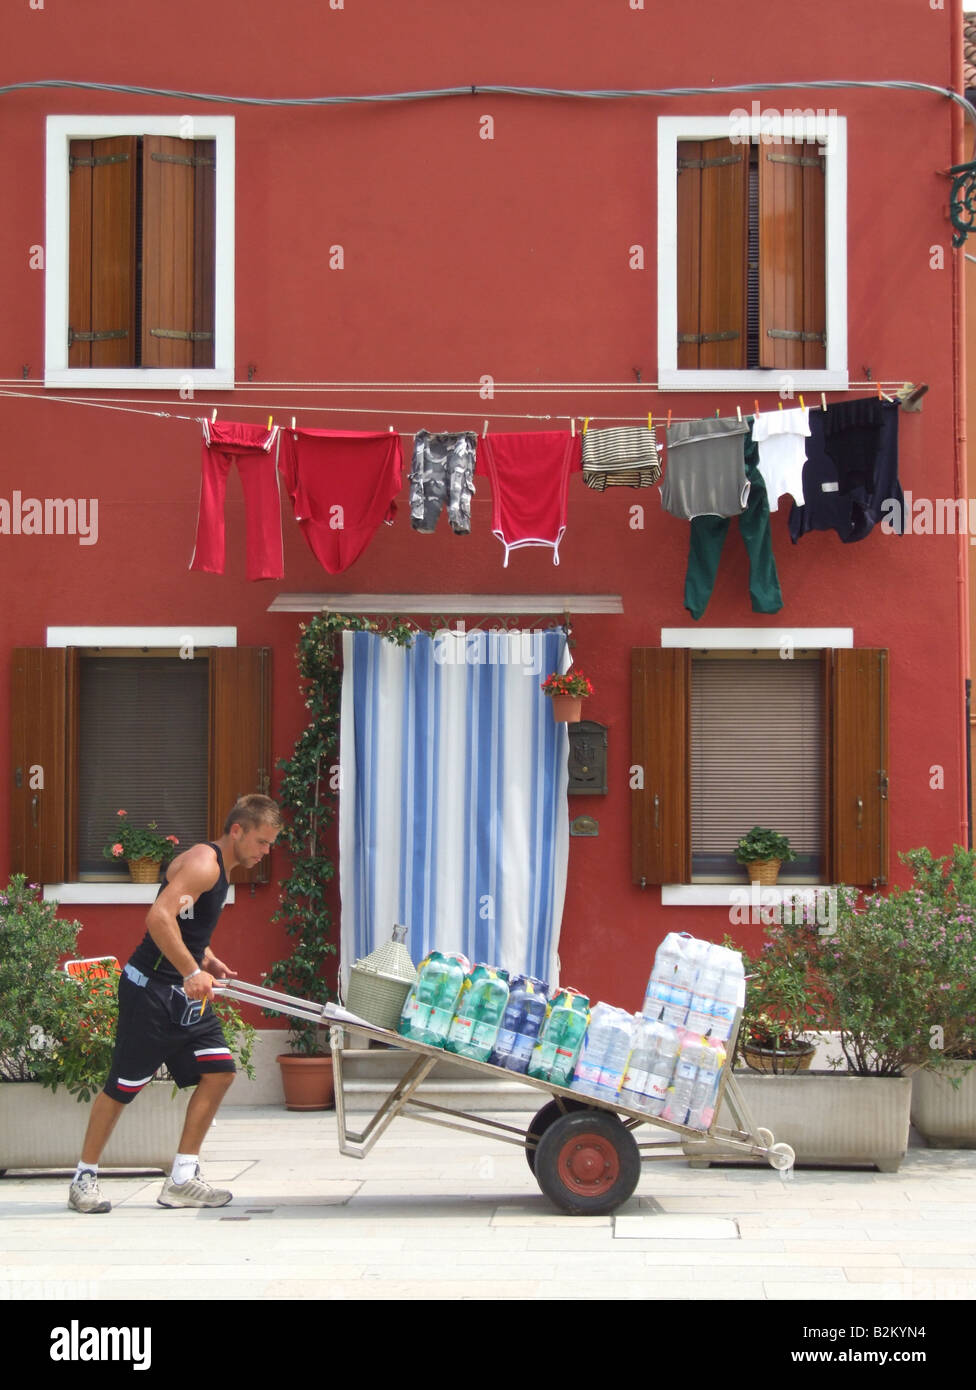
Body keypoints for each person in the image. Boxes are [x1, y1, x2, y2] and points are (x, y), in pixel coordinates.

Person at [68, 794, 282, 1214]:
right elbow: (158, 917)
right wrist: (190, 971)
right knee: (123, 1087)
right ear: (237, 830)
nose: (265, 852)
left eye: (271, 844)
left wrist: (204, 957)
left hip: (183, 996)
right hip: (149, 991)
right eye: (261, 841)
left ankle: (182, 1178)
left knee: (219, 1071)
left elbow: (183, 921)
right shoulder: (206, 865)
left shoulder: (214, 867)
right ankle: (84, 1178)